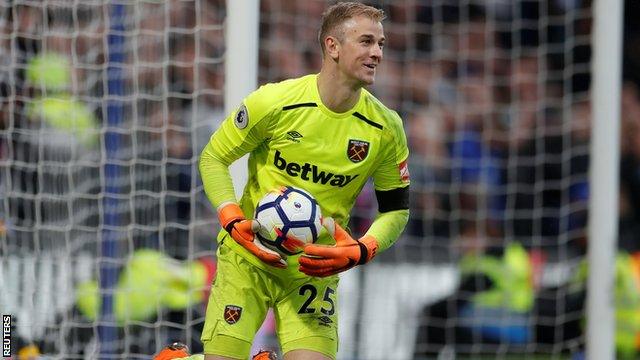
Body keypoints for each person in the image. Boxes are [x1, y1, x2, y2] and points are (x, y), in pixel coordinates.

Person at [198, 2, 410, 359]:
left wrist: (363, 248)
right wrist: (231, 217)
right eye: (367, 41)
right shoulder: (275, 102)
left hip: (314, 270)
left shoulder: (385, 128)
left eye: (381, 44)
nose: (377, 53)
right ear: (333, 46)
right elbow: (214, 157)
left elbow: (396, 210)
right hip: (249, 257)